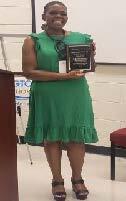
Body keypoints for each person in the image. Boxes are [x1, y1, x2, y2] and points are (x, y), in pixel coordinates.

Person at [22, 1, 98, 200]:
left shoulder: (81, 38)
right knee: (52, 138)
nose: (59, 16)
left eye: (63, 13)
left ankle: (77, 179)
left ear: (67, 16)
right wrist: (62, 77)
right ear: (43, 16)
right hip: (48, 95)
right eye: (53, 12)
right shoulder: (33, 40)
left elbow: (89, 69)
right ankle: (57, 180)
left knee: (76, 137)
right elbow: (29, 72)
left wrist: (92, 56)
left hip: (75, 94)